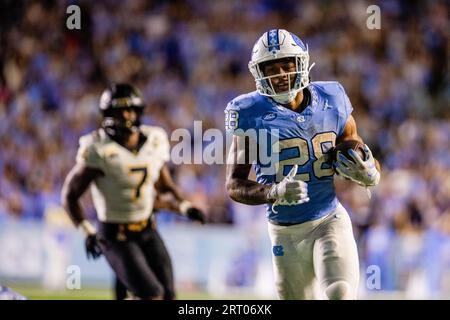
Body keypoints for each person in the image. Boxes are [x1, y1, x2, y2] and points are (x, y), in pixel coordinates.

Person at [225, 29, 381, 300]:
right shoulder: (248, 113)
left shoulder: (331, 98)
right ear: (258, 73)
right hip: (285, 231)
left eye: (287, 65)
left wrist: (370, 170)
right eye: (271, 68)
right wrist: (273, 192)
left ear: (302, 63)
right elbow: (234, 184)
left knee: (340, 293)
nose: (281, 75)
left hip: (328, 219)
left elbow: (356, 146)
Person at [62, 83, 205, 300]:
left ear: (139, 112)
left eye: (130, 110)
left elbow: (164, 185)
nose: (126, 116)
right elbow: (70, 195)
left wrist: (184, 206)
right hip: (115, 235)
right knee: (152, 295)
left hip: (147, 229)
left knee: (168, 295)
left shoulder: (154, 140)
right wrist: (86, 231)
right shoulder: (98, 149)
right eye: (119, 111)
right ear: (108, 114)